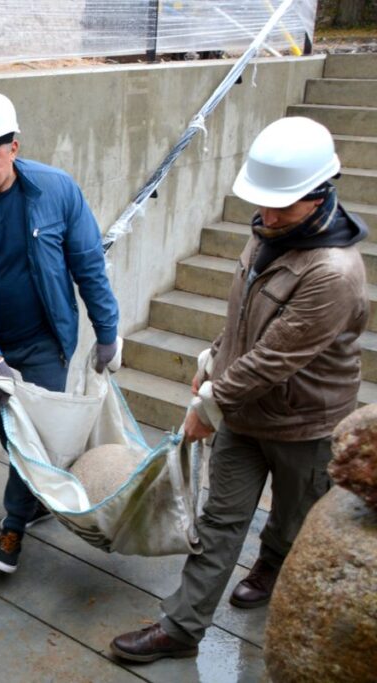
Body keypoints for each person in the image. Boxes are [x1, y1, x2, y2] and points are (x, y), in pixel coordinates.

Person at [111, 116, 369, 662]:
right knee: (218, 523)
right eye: (264, 203)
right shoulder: (266, 232)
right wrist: (214, 356)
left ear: (320, 194)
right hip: (247, 415)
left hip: (307, 423)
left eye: (284, 205)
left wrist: (211, 402)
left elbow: (277, 356)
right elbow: (245, 314)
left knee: (293, 517)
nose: (269, 216)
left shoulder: (333, 272)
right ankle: (181, 628)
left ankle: (271, 566)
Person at [0, 90, 120, 574]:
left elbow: (88, 264)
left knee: (31, 437)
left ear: (14, 146)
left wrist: (108, 329)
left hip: (46, 341)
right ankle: (35, 497)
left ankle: (13, 525)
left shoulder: (57, 191)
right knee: (11, 437)